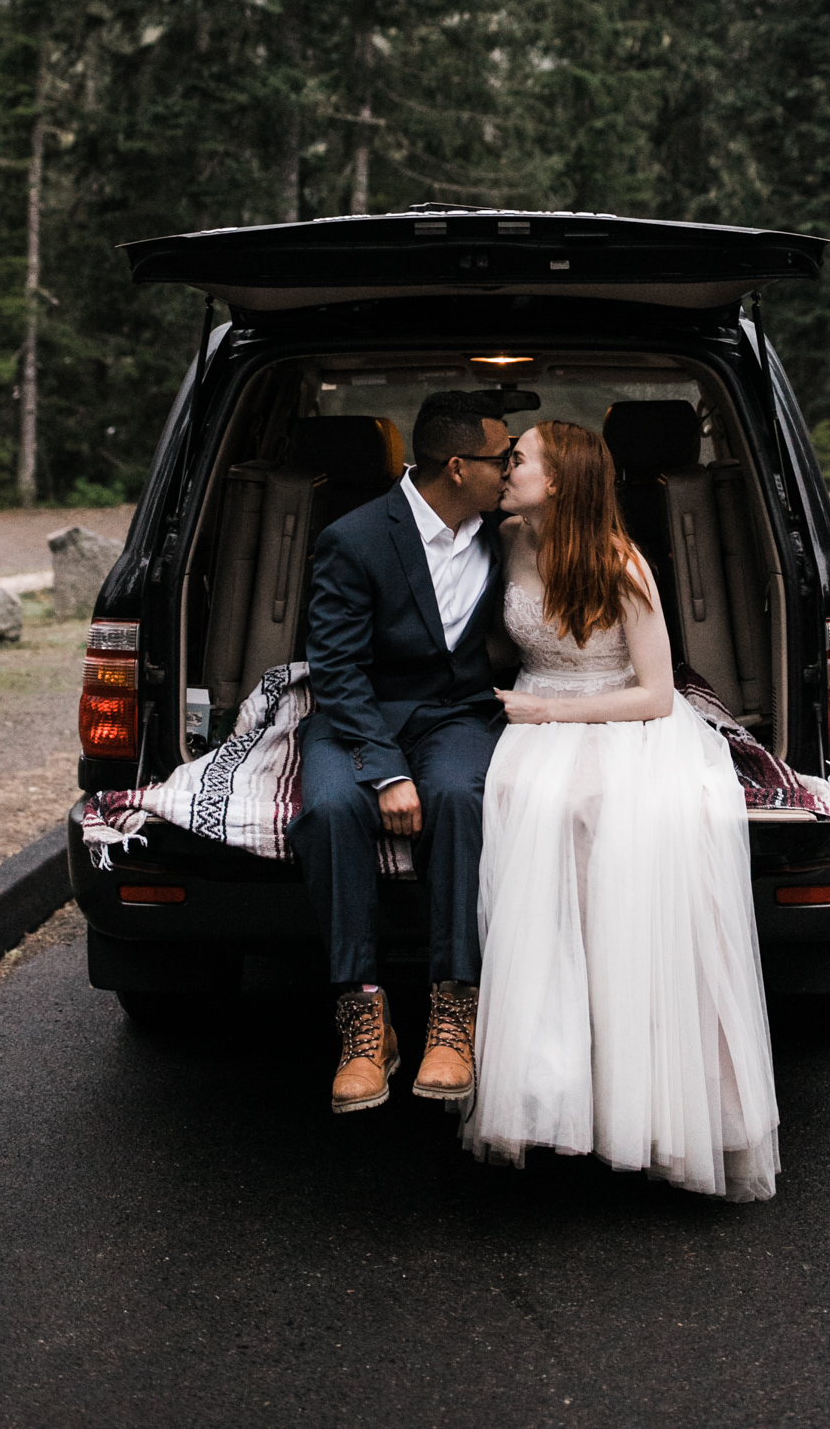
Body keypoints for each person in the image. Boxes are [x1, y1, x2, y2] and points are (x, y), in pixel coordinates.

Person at [462, 420, 780, 1201]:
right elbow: (512, 646)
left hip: (618, 720)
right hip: (530, 705)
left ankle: (633, 1092)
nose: (507, 469)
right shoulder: (508, 538)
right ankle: (544, 1086)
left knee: (602, 813)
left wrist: (552, 717)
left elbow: (655, 692)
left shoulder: (620, 562)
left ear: (560, 480)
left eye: (520, 459)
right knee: (516, 802)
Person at [293, 387, 522, 1115]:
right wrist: (385, 769)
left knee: (461, 797)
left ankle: (454, 1009)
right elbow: (335, 669)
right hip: (360, 715)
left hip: (454, 713)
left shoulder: (505, 533)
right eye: (501, 457)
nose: (511, 469)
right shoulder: (354, 538)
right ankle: (364, 1020)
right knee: (328, 809)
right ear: (457, 467)